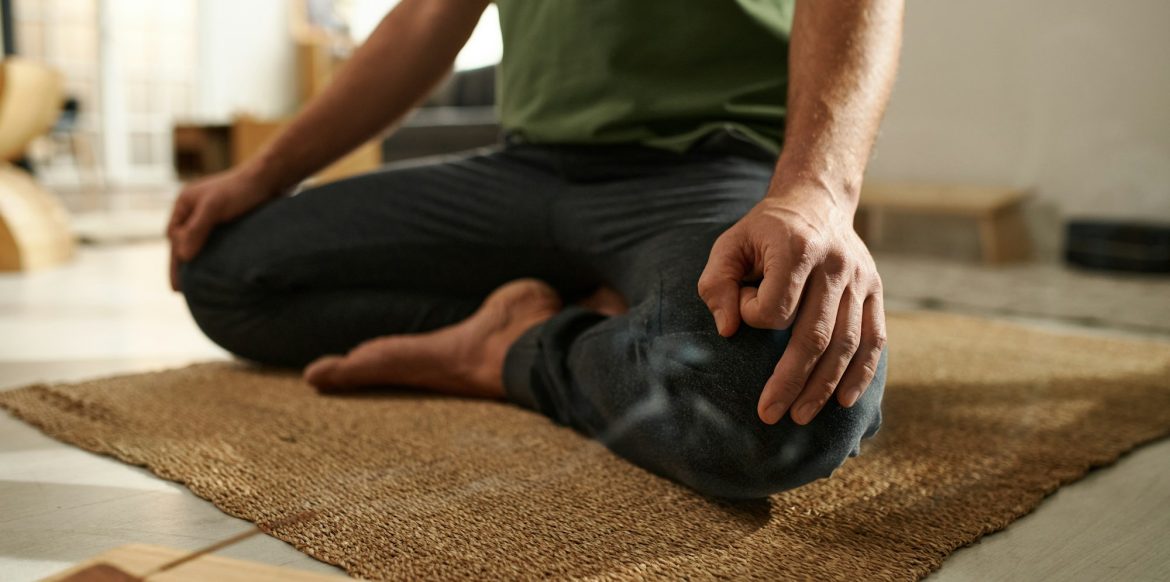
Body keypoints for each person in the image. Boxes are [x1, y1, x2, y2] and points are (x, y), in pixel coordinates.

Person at [167, 0, 902, 500]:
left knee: (781, 415)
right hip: (525, 172)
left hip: (715, 169)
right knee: (227, 273)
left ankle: (513, 348)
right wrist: (265, 173)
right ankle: (599, 323)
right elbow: (430, 13)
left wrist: (816, 193)